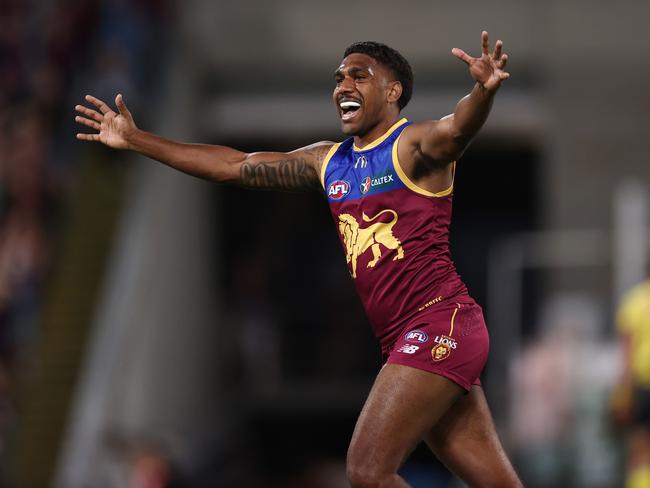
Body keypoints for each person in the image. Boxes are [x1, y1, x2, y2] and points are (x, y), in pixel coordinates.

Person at [75, 31, 522, 488]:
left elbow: (457, 129)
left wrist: (483, 92)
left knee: (367, 471)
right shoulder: (328, 163)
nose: (343, 86)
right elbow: (234, 165)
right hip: (410, 338)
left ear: (393, 92)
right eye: (338, 77)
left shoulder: (412, 146)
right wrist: (137, 139)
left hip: (438, 323)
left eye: (358, 76)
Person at [611, 279, 650, 488]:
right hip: (643, 388)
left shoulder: (635, 302)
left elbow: (626, 358)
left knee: (641, 453)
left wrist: (622, 397)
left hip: (643, 388)